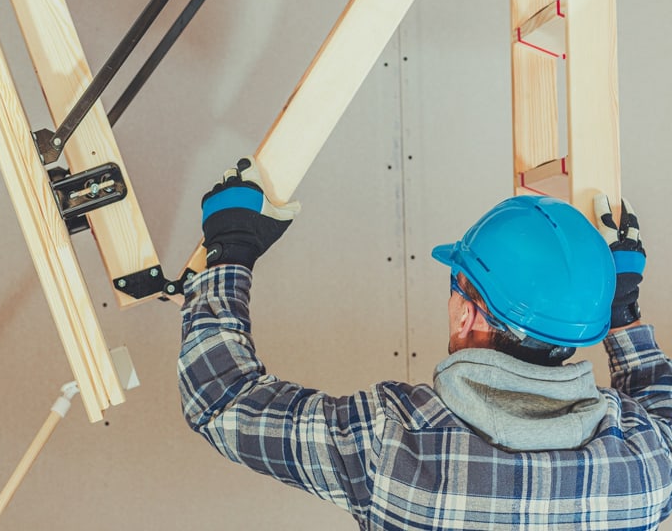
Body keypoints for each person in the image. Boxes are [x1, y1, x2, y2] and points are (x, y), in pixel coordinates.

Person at [178, 157, 671, 530]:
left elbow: (222, 401)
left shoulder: (393, 444)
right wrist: (623, 313)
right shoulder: (645, 469)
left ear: (468, 313)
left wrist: (229, 253)